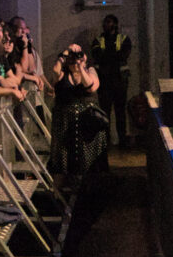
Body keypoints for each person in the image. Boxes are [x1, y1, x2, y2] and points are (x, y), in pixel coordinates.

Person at [47, 43, 107, 183]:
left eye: (78, 58)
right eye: (72, 59)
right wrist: (65, 52)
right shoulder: (62, 74)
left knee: (87, 162)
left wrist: (81, 66)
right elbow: (55, 71)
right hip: (64, 125)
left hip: (87, 126)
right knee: (61, 162)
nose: (74, 62)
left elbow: (90, 86)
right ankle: (59, 192)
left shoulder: (90, 71)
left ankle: (88, 189)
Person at [90, 14, 132, 147]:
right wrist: (113, 55)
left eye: (108, 22)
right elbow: (97, 56)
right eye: (105, 22)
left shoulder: (124, 39)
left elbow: (123, 55)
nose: (105, 25)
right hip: (104, 81)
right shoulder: (98, 40)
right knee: (104, 112)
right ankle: (105, 141)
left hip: (120, 81)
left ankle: (122, 140)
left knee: (120, 112)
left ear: (115, 24)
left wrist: (107, 56)